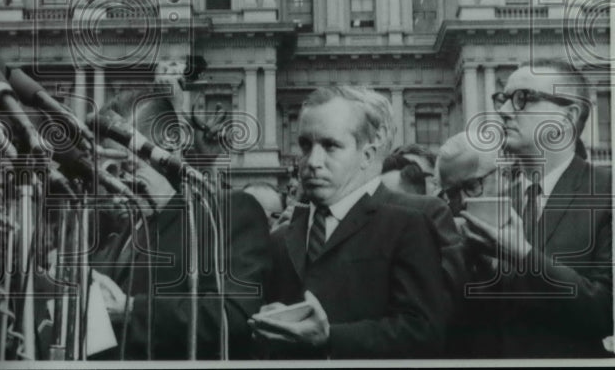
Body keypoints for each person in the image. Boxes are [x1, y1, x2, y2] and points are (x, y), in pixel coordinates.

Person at [255, 86, 452, 359]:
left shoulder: (407, 226)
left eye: (330, 145)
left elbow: (424, 333)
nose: (312, 162)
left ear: (368, 155)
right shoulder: (280, 239)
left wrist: (331, 337)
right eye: (305, 145)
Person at [90, 90, 272, 360]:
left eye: (130, 167)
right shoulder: (122, 230)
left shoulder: (227, 213)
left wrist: (131, 310)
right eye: (111, 171)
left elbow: (236, 314)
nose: (118, 184)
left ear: (170, 148)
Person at [460, 59, 613, 358]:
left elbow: (607, 310)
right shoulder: (500, 198)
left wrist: (525, 257)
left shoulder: (608, 191)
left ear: (567, 116)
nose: (503, 112)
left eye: (523, 99)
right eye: (502, 99)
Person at [435, 131, 513, 357]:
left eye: (472, 185)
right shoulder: (445, 243)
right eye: (451, 193)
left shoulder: (540, 223)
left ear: (504, 174)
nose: (463, 201)